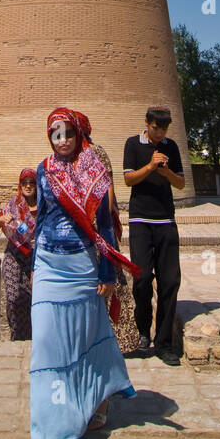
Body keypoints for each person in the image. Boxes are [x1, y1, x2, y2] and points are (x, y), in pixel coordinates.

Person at [20, 107, 139, 439]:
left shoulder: (94, 172)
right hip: (51, 267)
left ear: (78, 135)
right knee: (47, 350)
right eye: (55, 133)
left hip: (84, 268)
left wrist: (107, 271)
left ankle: (99, 396)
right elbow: (40, 220)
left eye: (67, 132)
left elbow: (104, 223)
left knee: (90, 337)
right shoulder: (43, 170)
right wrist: (36, 267)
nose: (62, 140)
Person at [122, 106, 185, 366]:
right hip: (140, 221)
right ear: (147, 124)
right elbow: (128, 180)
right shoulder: (132, 144)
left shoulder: (171, 147)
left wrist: (166, 171)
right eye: (156, 127)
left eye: (164, 128)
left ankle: (164, 344)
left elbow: (180, 183)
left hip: (165, 220)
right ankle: (142, 332)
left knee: (170, 281)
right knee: (142, 278)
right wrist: (149, 166)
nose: (160, 133)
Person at [91, 143, 140, 354]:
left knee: (111, 282)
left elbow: (107, 187)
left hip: (99, 228)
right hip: (80, 232)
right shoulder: (66, 157)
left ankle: (121, 341)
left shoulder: (96, 152)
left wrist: (101, 221)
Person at [0, 169, 37, 340]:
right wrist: (1, 220)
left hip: (35, 258)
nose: (28, 186)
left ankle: (31, 335)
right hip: (13, 255)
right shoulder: (13, 205)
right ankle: (16, 333)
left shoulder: (44, 208)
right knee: (13, 296)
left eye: (32, 182)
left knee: (32, 298)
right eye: (25, 182)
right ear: (20, 185)